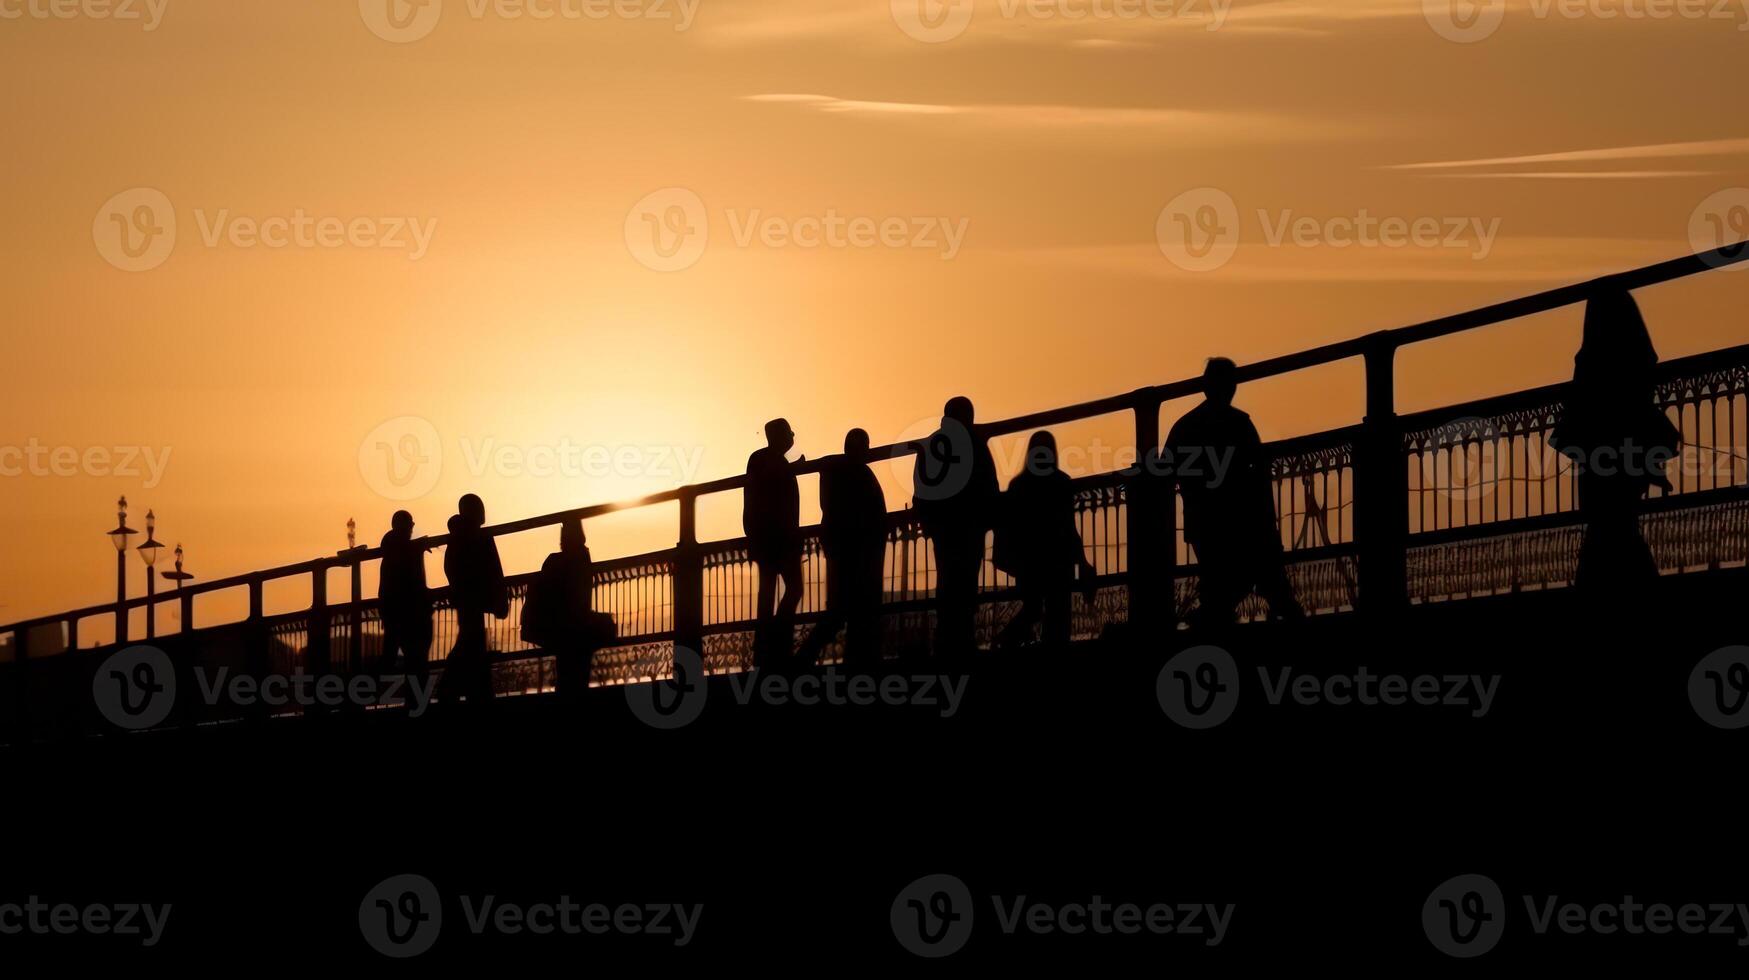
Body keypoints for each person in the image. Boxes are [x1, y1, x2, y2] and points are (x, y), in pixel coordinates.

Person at [1549, 289, 1678, 597]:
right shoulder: (1628, 367)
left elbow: (1576, 425)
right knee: (1620, 537)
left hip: (1599, 474)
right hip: (1619, 473)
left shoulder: (1590, 364)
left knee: (1605, 540)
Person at [1165, 357, 1303, 626]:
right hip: (1245, 521)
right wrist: (1269, 522)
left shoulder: (1185, 427)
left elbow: (1165, 471)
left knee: (1220, 588)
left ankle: (1211, 626)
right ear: (1232, 386)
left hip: (1204, 522)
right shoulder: (1240, 424)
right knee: (1269, 584)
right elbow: (1260, 477)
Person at [994, 431, 1098, 648]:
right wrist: (1082, 561)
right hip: (1058, 561)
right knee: (1058, 616)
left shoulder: (1018, 486)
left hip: (1028, 562)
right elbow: (1069, 528)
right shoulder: (1062, 483)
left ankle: (1006, 641)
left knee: (1032, 609)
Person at [796, 429, 889, 668]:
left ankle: (812, 657)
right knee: (852, 607)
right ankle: (815, 658)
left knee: (842, 608)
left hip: (841, 545)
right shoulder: (858, 472)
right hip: (858, 547)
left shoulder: (832, 469)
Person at [913, 396, 999, 656]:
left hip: (941, 525)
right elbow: (988, 482)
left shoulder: (930, 443)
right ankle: (962, 639)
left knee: (947, 578)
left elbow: (920, 486)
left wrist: (927, 519)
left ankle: (945, 639)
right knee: (966, 580)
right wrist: (990, 516)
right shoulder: (974, 442)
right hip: (968, 523)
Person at [525, 516, 607, 699]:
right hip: (578, 628)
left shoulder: (554, 561)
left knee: (566, 675)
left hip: (559, 629)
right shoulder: (583, 559)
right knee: (578, 677)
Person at [744, 419, 803, 669]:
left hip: (767, 538)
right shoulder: (767, 460)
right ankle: (776, 643)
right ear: (779, 436)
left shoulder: (763, 459)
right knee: (791, 588)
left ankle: (767, 646)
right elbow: (769, 484)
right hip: (776, 538)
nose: (792, 436)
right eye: (789, 432)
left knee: (768, 591)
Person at [438, 494, 507, 704]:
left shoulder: (458, 535)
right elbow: (494, 569)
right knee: (471, 641)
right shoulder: (478, 536)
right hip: (474, 598)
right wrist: (497, 597)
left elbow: (450, 566)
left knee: (472, 641)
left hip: (466, 598)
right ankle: (454, 689)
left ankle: (467, 690)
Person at [377, 510, 433, 678]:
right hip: (408, 614)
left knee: (402, 659)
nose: (412, 528)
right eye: (410, 524)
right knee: (415, 661)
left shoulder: (390, 549)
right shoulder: (402, 550)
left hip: (393, 613)